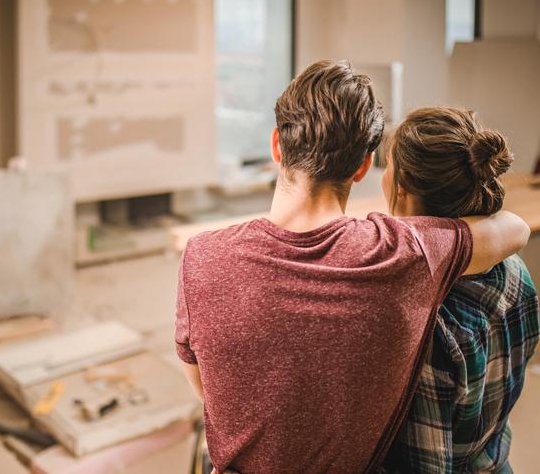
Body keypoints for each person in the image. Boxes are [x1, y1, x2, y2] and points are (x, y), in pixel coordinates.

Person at [174, 60, 530, 474]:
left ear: (276, 145)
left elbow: (210, 392)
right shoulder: (401, 254)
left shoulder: (201, 257)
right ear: (363, 166)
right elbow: (513, 229)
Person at [381, 107, 539, 473]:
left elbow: (426, 464)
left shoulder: (431, 321)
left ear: (402, 185)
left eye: (387, 166)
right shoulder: (515, 270)